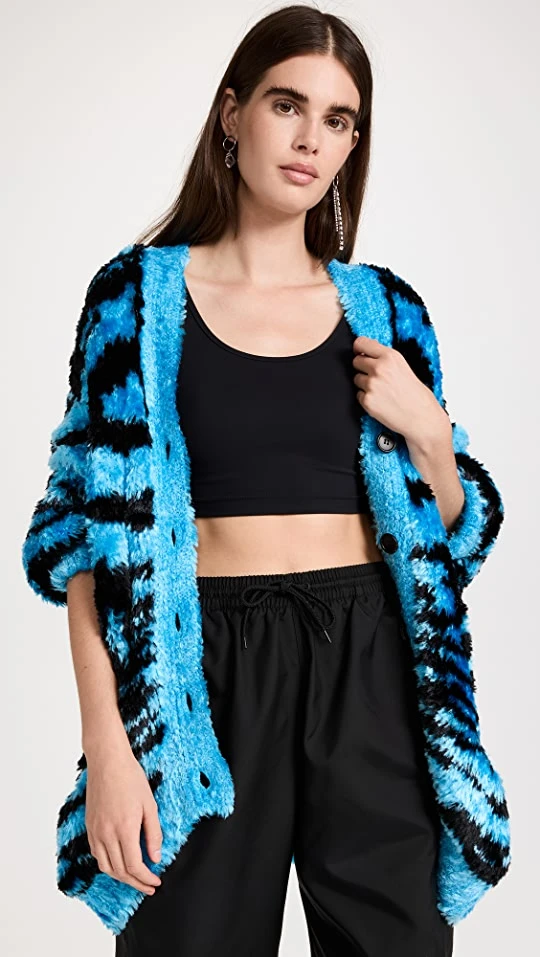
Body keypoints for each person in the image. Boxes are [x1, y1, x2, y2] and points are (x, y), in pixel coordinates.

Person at [21, 5, 510, 955]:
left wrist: (431, 433)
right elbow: (77, 538)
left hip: (371, 663)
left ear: (353, 144)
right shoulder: (134, 300)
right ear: (233, 113)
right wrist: (110, 748)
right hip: (200, 671)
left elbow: (450, 540)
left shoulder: (387, 309)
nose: (310, 139)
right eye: (289, 105)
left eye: (338, 119)